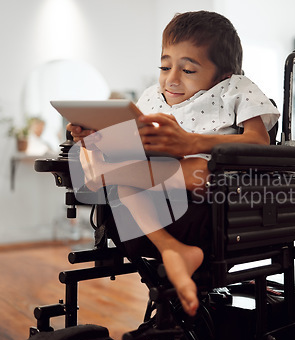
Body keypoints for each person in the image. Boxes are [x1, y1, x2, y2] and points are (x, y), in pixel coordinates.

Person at [67, 10, 279, 316]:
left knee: (191, 169)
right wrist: (97, 136)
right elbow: (132, 140)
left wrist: (194, 142)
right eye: (164, 66)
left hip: (212, 180)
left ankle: (110, 175)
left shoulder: (235, 88)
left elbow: (260, 140)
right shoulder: (152, 96)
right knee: (126, 182)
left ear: (223, 74)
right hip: (155, 177)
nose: (172, 79)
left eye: (188, 70)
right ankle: (172, 248)